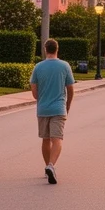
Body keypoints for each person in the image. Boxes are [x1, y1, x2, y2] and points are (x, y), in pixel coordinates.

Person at [29, 39, 75, 184]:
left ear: (45, 49)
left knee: (45, 139)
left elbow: (34, 91)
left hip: (43, 108)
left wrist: (41, 97)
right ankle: (51, 165)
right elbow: (70, 88)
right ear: (57, 49)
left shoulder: (38, 67)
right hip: (58, 107)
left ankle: (47, 166)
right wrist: (67, 105)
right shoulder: (64, 66)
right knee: (57, 139)